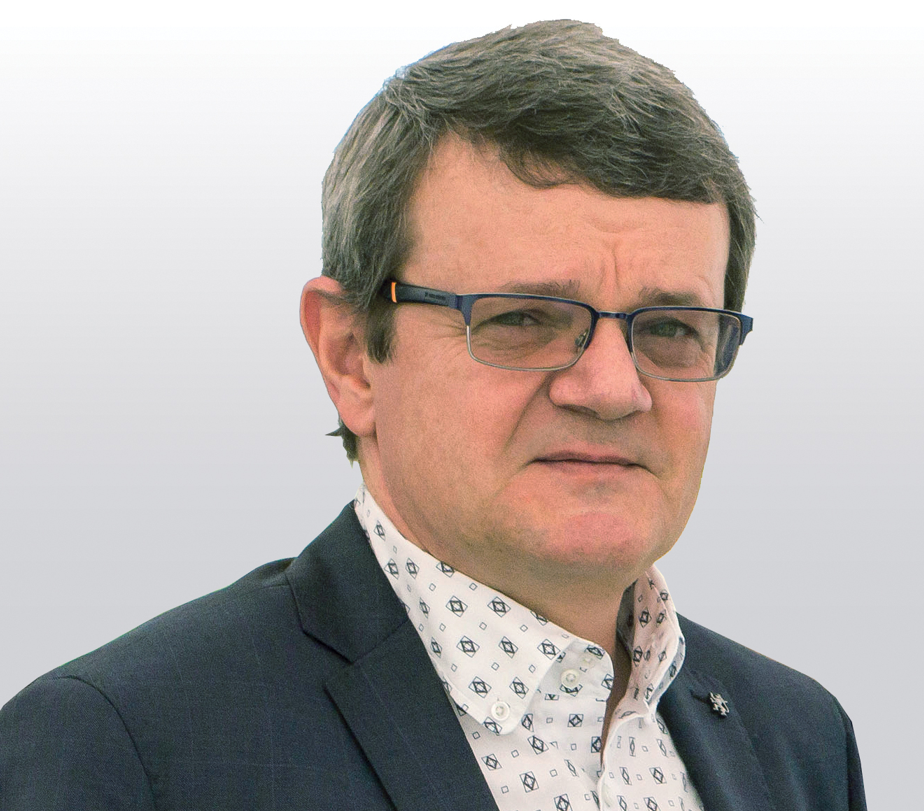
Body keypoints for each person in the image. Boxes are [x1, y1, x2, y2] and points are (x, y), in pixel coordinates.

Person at [0, 20, 865, 811]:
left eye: (672, 328)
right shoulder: (131, 749)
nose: (612, 388)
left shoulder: (801, 741)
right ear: (351, 356)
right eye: (523, 319)